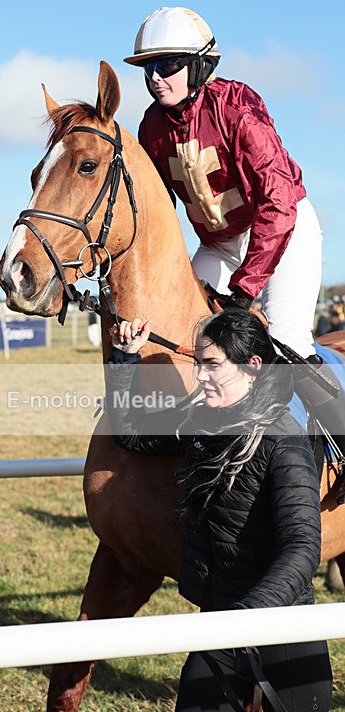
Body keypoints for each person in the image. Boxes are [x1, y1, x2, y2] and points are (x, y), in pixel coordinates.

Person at [105, 308, 335, 712]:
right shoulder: (200, 425)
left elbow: (302, 549)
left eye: (212, 365)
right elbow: (128, 434)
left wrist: (245, 618)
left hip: (287, 636)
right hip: (221, 633)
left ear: (251, 366)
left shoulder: (285, 440)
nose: (200, 376)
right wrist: (123, 359)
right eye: (199, 364)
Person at [124, 5, 345, 483]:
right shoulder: (150, 129)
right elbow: (155, 215)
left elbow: (278, 203)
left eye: (167, 66)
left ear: (199, 66)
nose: (156, 79)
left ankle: (341, 446)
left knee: (285, 336)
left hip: (285, 230)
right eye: (148, 68)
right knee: (179, 326)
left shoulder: (238, 108)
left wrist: (245, 291)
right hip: (222, 241)